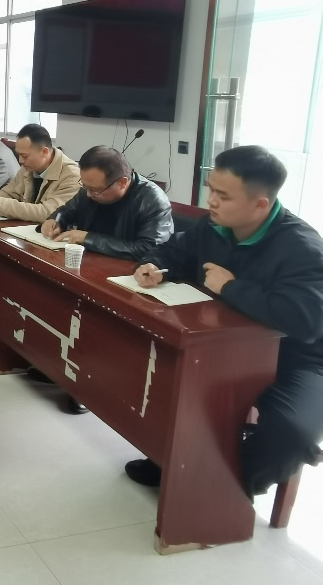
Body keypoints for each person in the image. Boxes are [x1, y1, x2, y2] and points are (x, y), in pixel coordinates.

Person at [127, 146, 323, 495]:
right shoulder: (215, 226)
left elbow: (305, 321)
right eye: (211, 189)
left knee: (292, 433)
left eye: (223, 195)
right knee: (162, 373)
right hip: (224, 345)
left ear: (260, 204)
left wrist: (231, 287)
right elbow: (172, 250)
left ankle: (229, 490)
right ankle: (168, 459)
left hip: (297, 358)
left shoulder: (302, 248)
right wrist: (153, 265)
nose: (211, 201)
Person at [40, 145, 172, 260]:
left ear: (122, 183)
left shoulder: (152, 201)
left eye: (95, 190)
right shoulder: (90, 189)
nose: (88, 194)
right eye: (85, 186)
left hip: (127, 273)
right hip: (88, 261)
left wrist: (88, 238)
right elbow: (66, 211)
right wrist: (55, 220)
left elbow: (149, 249)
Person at [0, 124, 80, 222]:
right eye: (19, 155)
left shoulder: (71, 175)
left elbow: (49, 212)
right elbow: (11, 193)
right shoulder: (28, 167)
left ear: (44, 152)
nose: (20, 161)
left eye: (25, 156)